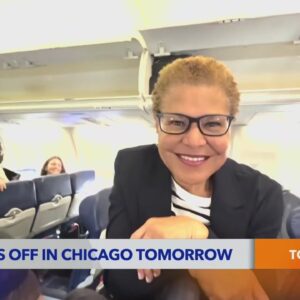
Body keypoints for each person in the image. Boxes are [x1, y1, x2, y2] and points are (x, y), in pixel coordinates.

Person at [104, 56, 283, 300]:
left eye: (212, 124)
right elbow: (119, 279)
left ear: (229, 126)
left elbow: (253, 293)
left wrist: (197, 234)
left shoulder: (263, 195)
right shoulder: (131, 167)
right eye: (177, 122)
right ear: (157, 123)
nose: (194, 141)